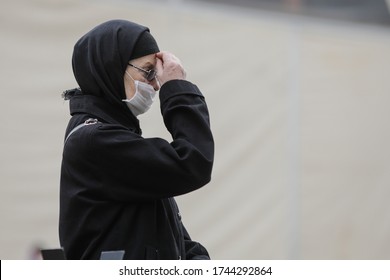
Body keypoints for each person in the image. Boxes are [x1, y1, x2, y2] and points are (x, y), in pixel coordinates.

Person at [59, 19, 214, 260]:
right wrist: (177, 87)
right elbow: (193, 162)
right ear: (112, 67)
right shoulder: (94, 141)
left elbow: (166, 231)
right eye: (149, 71)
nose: (156, 84)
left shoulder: (116, 137)